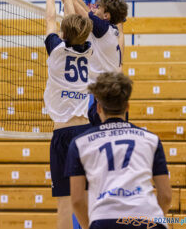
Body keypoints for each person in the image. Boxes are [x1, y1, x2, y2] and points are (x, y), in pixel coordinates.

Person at [66, 72, 172, 229]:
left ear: (99, 108)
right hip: (148, 217)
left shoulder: (80, 143)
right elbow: (166, 196)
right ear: (127, 107)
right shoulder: (151, 140)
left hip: (104, 219)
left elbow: (76, 200)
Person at [45, 0, 129, 126]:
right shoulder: (105, 27)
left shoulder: (102, 27)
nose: (95, 8)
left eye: (98, 8)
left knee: (102, 129)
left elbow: (74, 0)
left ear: (105, 15)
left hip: (104, 84)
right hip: (95, 81)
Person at [44, 0, 93, 229]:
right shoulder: (89, 51)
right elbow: (70, 19)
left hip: (63, 135)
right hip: (87, 132)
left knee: (65, 201)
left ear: (64, 34)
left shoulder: (56, 53)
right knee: (86, 197)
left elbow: (52, 18)